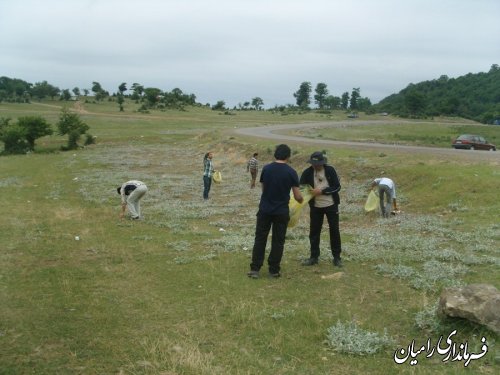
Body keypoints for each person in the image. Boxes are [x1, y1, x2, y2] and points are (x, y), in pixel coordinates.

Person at [247, 144, 303, 279]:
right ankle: (274, 270)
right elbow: (297, 196)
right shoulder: (291, 172)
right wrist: (302, 201)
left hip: (265, 209)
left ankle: (255, 269)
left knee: (260, 238)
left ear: (275, 154)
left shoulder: (267, 169)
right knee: (278, 241)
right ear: (288, 156)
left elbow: (264, 189)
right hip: (281, 211)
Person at [299, 151, 343, 267]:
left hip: (331, 205)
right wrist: (306, 193)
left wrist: (322, 191)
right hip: (315, 207)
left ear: (322, 163)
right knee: (314, 231)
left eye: (317, 164)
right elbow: (301, 187)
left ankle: (337, 257)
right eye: (313, 164)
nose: (315, 166)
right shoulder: (307, 172)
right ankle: (314, 257)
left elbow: (337, 187)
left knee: (334, 230)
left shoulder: (330, 170)